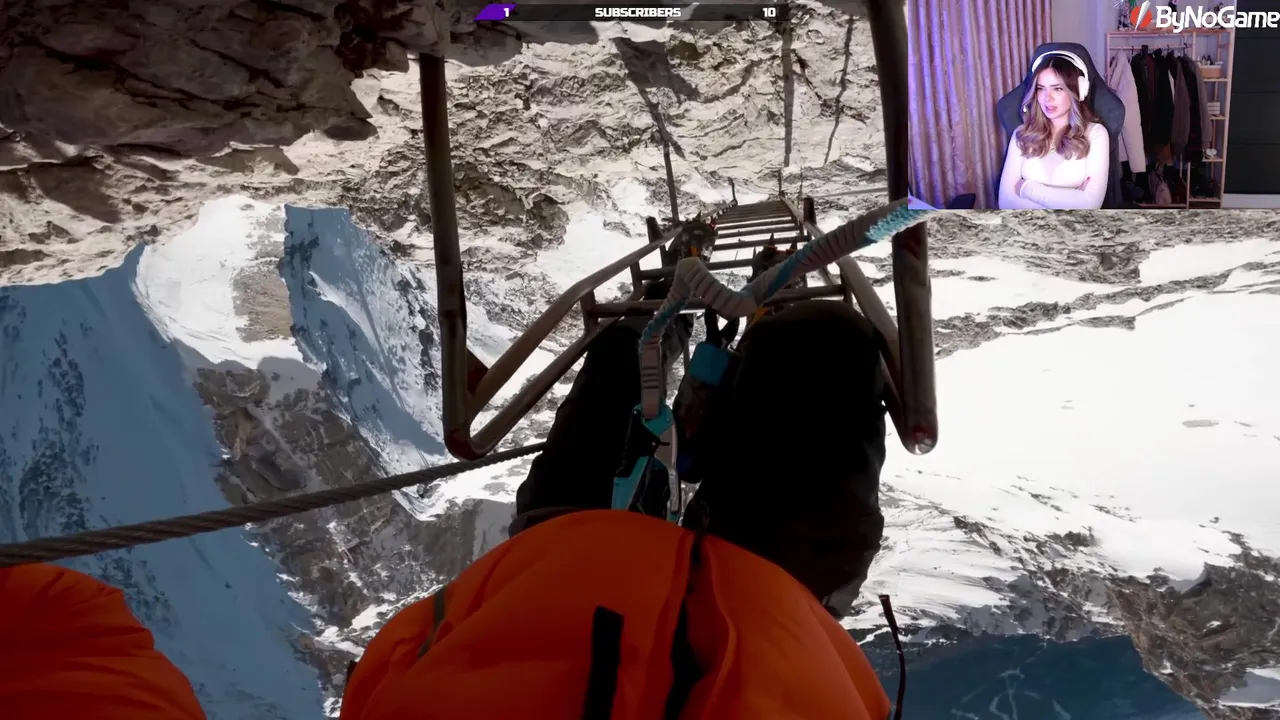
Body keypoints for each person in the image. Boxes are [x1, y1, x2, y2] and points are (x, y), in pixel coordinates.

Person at [1, 289, 895, 720]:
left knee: (820, 371)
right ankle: (641, 345)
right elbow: (65, 655)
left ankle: (674, 341)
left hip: (715, 615)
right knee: (780, 444)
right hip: (595, 587)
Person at [998, 53, 1110, 210]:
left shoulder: (1096, 134)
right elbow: (1005, 202)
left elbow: (1090, 205)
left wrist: (1026, 188)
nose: (1047, 98)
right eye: (1040, 89)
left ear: (1078, 90)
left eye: (1057, 89)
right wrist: (1071, 200)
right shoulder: (1022, 134)